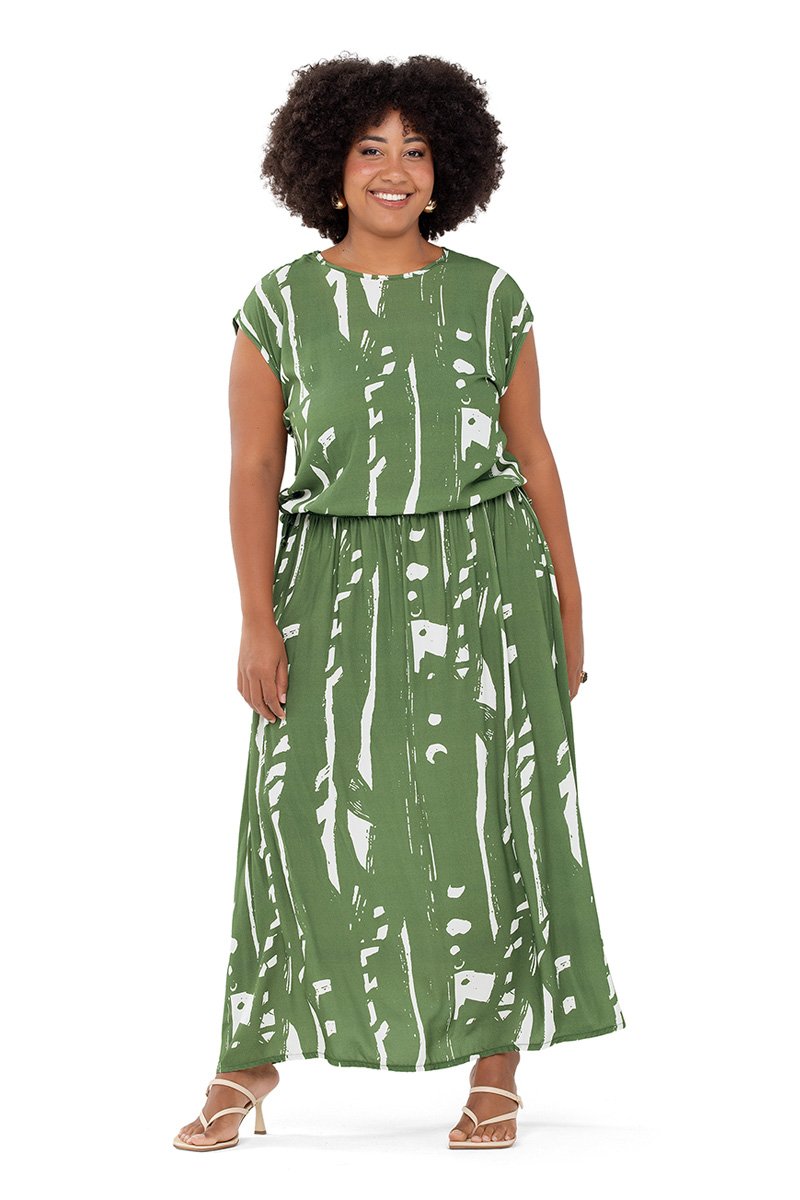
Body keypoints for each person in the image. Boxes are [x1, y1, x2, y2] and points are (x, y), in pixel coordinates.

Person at [174, 53, 625, 1154]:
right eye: (370, 147)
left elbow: (533, 455)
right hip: (328, 584)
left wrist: (570, 604)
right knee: (297, 819)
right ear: (327, 167)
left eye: (416, 149)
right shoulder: (278, 305)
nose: (394, 168)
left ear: (446, 168)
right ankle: (248, 1057)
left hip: (485, 581)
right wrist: (255, 620)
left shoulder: (491, 298)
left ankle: (494, 1062)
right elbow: (253, 470)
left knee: (482, 812)